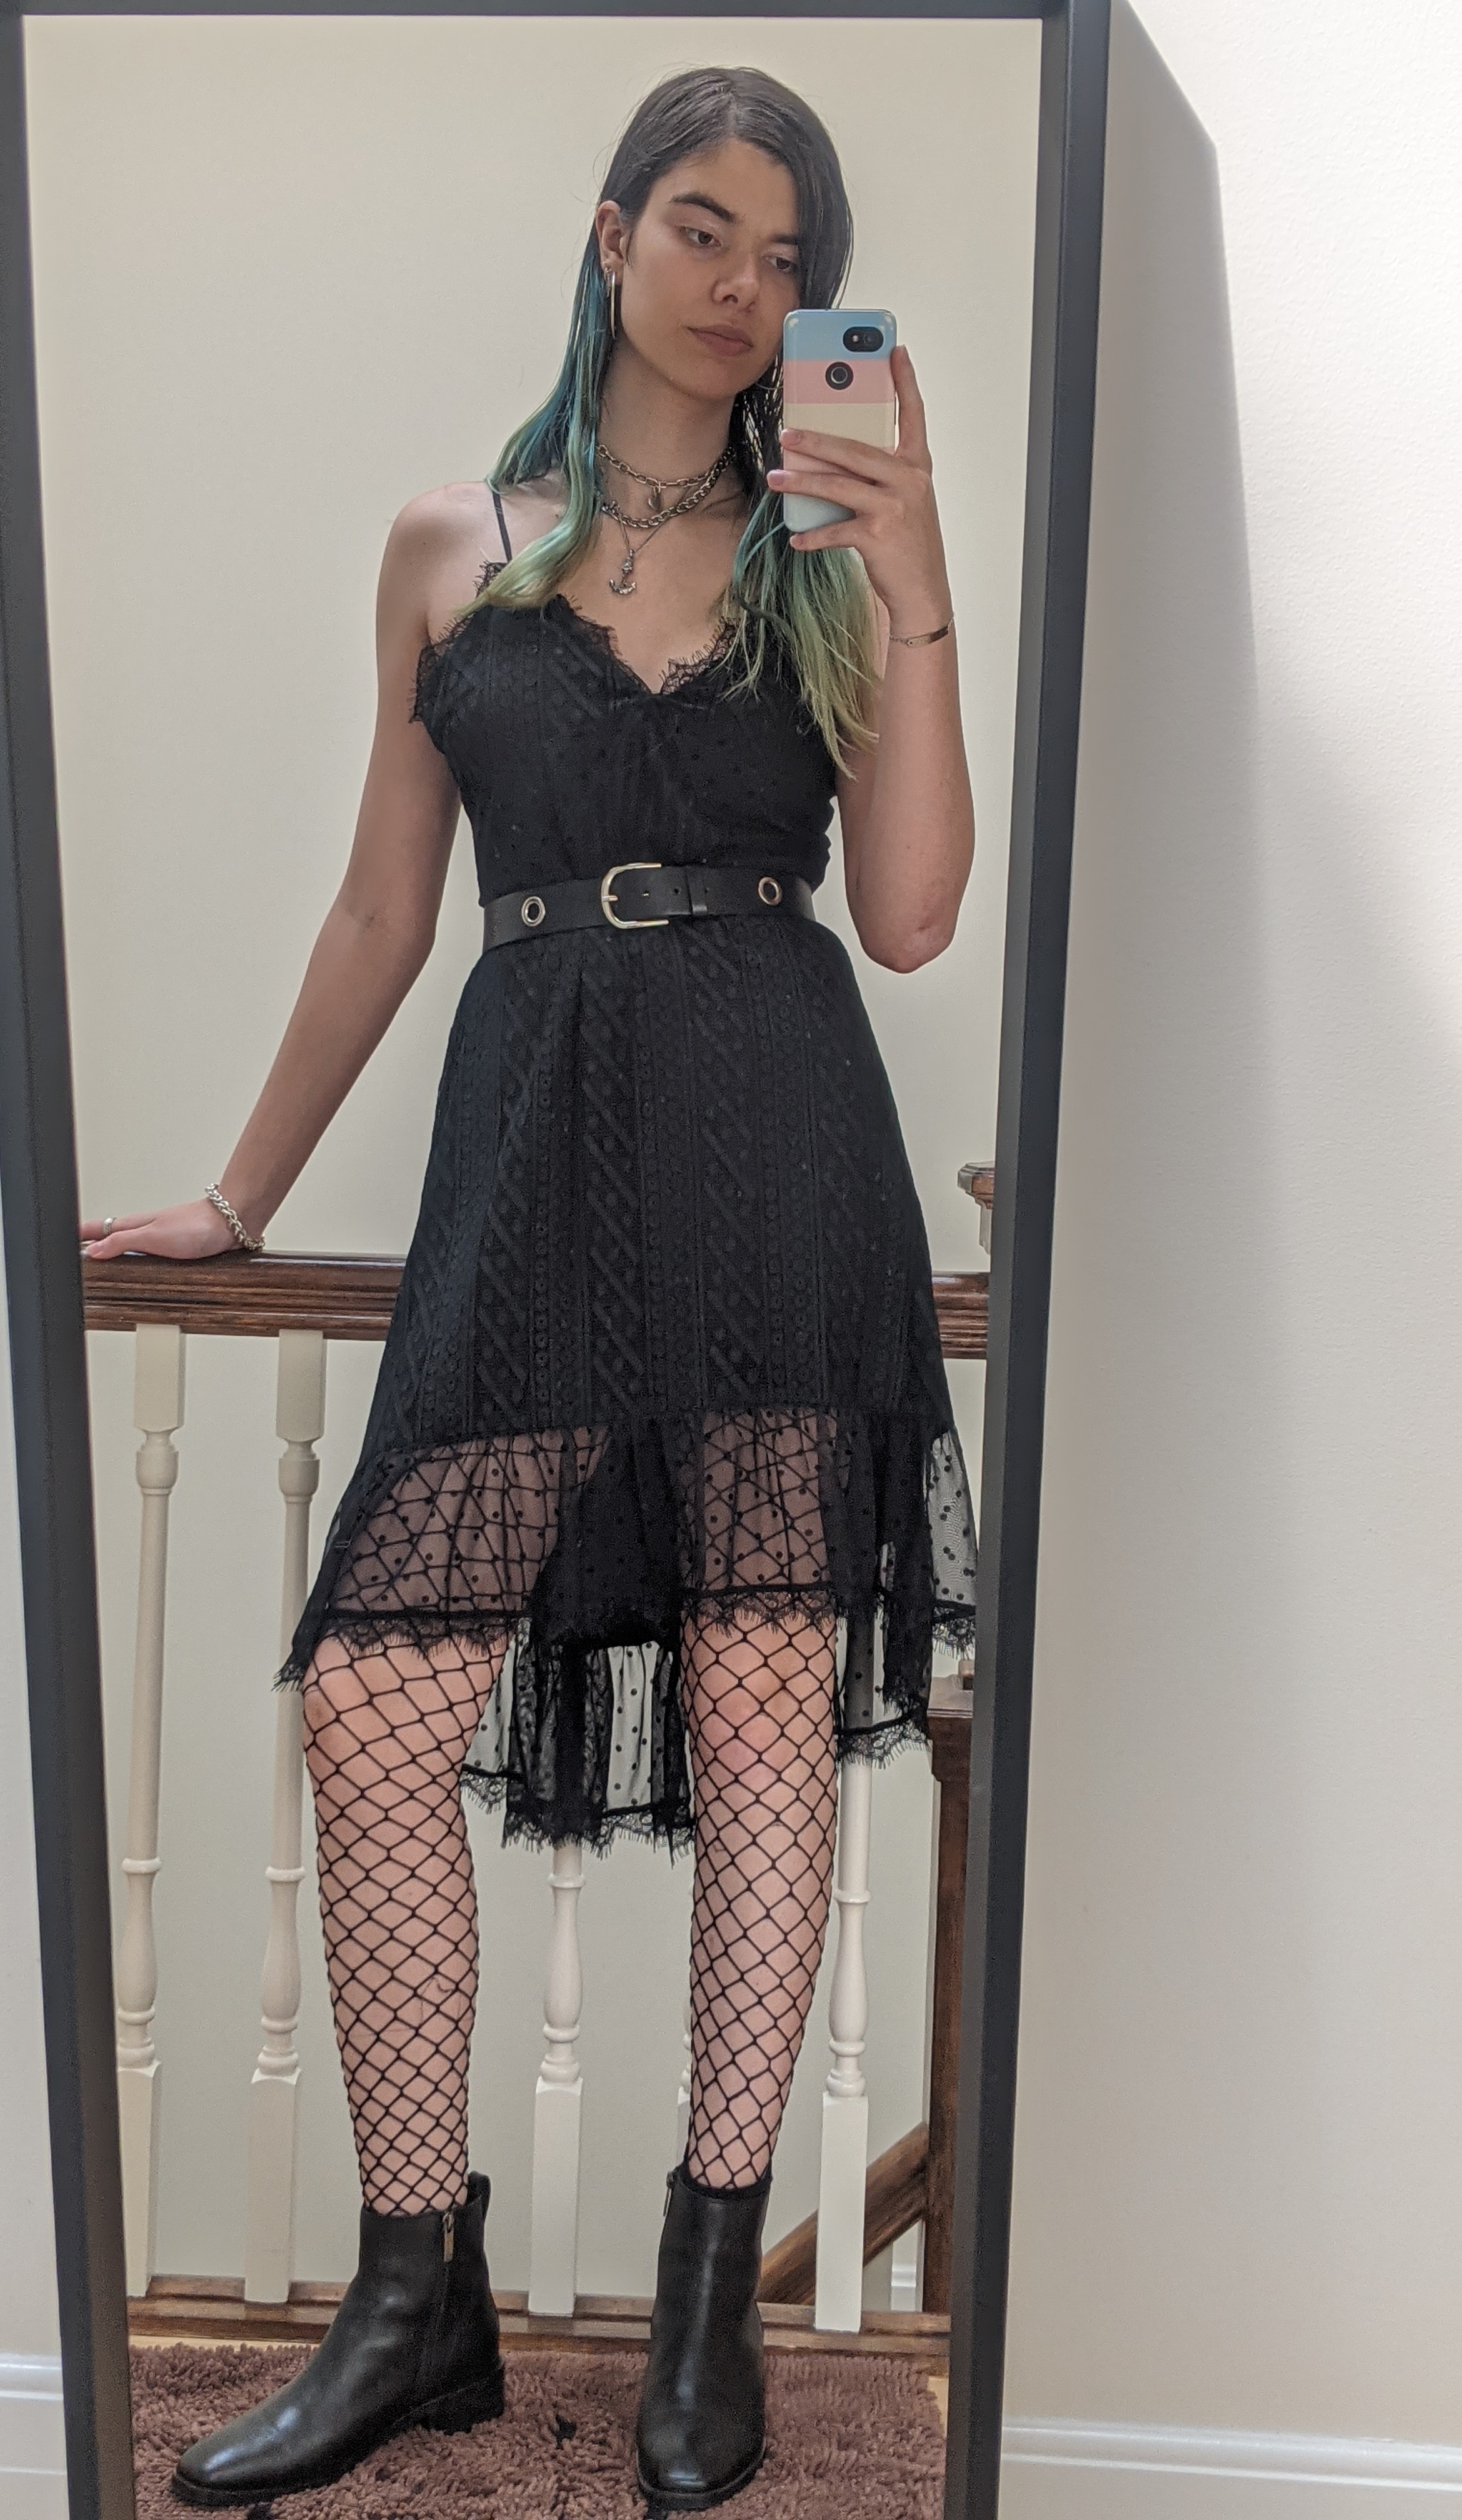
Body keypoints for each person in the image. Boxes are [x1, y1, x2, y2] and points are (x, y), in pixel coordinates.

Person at [84, 62, 979, 2515]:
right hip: (534, 1159)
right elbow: (385, 907)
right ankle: (420, 2299)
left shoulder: (834, 557)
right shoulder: (443, 547)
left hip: (782, 1154)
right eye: (703, 230)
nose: (742, 287)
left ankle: (706, 2301)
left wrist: (913, 560)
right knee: (375, 1702)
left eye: (787, 260)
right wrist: (242, 1194)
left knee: (766, 1712)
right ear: (610, 238)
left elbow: (914, 914)